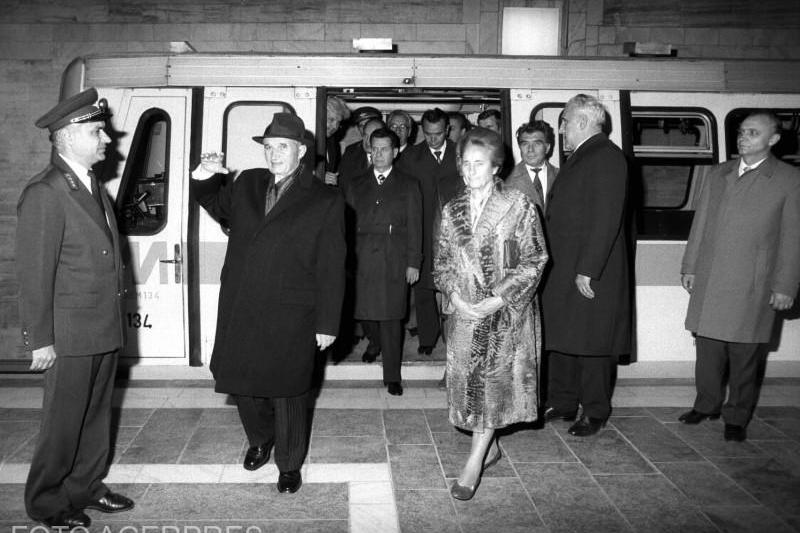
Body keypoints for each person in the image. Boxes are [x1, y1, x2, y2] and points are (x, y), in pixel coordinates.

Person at [191, 112, 346, 494]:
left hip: (292, 311)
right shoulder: (248, 182)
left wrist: (327, 322)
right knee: (242, 382)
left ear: (302, 151)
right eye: (269, 147)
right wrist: (205, 173)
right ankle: (260, 439)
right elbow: (213, 202)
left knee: (289, 390)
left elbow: (332, 266)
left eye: (283, 147)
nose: (274, 154)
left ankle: (290, 463)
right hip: (241, 304)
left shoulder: (325, 199)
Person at [17, 88, 134, 528]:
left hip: (100, 328)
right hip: (69, 334)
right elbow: (34, 273)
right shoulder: (47, 192)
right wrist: (40, 339)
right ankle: (47, 502)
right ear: (66, 137)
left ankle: (85, 487)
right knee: (63, 426)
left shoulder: (91, 185)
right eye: (95, 131)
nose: (106, 139)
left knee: (95, 418)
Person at [434, 127, 548, 500]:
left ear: (496, 165)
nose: (470, 172)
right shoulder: (452, 210)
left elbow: (535, 259)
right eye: (465, 164)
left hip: (505, 317)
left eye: (478, 164)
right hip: (466, 315)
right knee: (471, 393)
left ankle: (473, 463)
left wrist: (498, 298)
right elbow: (443, 263)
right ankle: (491, 447)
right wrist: (456, 295)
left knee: (492, 391)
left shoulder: (519, 205)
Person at [678, 111, 800, 442]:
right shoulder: (719, 173)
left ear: (773, 140)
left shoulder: (790, 180)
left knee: (745, 355)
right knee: (707, 350)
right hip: (711, 277)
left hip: (754, 283)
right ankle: (706, 404)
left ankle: (737, 416)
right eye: (742, 131)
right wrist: (689, 266)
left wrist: (786, 286)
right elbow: (700, 224)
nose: (743, 138)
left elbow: (793, 238)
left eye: (753, 133)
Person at [540, 94, 632, 437]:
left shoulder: (606, 157)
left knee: (594, 344)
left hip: (589, 272)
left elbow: (605, 219)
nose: (561, 129)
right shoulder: (584, 156)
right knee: (562, 337)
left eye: (564, 122)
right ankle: (561, 401)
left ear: (580, 121)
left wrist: (588, 269)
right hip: (565, 268)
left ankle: (595, 410)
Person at [346, 128, 423, 396]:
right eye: (374, 149)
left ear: (395, 151)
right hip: (361, 256)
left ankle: (392, 376)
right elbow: (345, 224)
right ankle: (374, 342)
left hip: (394, 257)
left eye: (384, 149)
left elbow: (416, 225)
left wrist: (414, 261)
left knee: (391, 318)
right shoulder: (355, 183)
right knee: (361, 311)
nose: (378, 154)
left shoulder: (409, 184)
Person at [398, 108, 462, 355]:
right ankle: (427, 336)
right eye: (428, 134)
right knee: (423, 288)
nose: (433, 139)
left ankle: (455, 338)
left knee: (455, 286)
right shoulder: (411, 157)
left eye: (438, 134)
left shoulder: (462, 152)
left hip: (456, 232)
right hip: (422, 231)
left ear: (447, 130)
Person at [506, 120, 559, 211]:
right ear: (520, 147)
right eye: (525, 144)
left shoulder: (560, 176)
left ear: (547, 148)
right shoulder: (507, 180)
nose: (530, 149)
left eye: (537, 144)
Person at [338, 117, 385, 192]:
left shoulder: (390, 157)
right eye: (365, 135)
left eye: (372, 136)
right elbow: (343, 185)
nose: (367, 141)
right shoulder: (351, 154)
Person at [323, 95, 351, 185]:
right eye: (331, 120)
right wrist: (319, 176)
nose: (335, 126)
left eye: (338, 122)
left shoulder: (332, 143)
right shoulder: (308, 140)